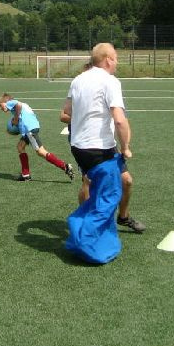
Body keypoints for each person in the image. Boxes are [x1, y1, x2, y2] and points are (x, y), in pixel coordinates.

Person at [60, 43, 133, 263]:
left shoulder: (78, 80)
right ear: (108, 59)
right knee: (108, 197)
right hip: (99, 149)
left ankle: (102, 230)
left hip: (78, 147)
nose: (117, 62)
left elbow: (67, 112)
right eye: (116, 58)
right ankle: (83, 239)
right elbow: (119, 120)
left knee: (108, 187)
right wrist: (126, 147)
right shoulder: (110, 81)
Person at [60, 62, 144, 233]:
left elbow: (122, 120)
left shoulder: (108, 89)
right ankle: (87, 222)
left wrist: (125, 145)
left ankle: (123, 217)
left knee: (126, 181)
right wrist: (83, 117)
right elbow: (63, 115)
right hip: (85, 144)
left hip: (108, 145)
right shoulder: (81, 90)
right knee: (88, 182)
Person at [0, 93, 74, 182]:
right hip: (30, 128)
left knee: (41, 152)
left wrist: (16, 119)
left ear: (6, 101)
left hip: (29, 129)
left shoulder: (11, 102)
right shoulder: (20, 106)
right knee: (20, 147)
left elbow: (18, 105)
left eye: (1, 105)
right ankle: (25, 174)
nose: (1, 108)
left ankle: (65, 167)